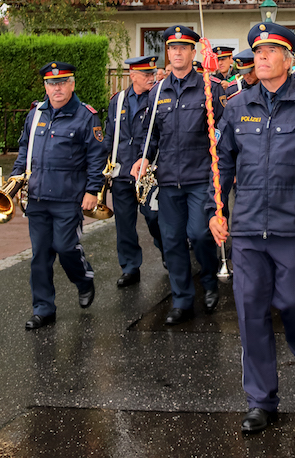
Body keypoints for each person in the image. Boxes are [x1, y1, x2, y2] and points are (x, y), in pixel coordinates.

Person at [208, 22, 295, 434]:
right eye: (258, 52)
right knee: (250, 313)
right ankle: (261, 401)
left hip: (294, 225)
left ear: (288, 59)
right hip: (248, 227)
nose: (261, 57)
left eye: (270, 51)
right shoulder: (236, 106)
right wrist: (216, 210)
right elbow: (222, 163)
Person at [132, 25, 225, 325]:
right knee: (172, 240)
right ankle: (182, 299)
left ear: (192, 52)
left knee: (199, 234)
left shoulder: (210, 88)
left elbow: (224, 134)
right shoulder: (157, 91)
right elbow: (151, 135)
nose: (177, 53)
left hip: (200, 178)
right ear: (168, 53)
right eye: (173, 48)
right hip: (169, 179)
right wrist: (144, 157)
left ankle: (209, 282)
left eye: (183, 48)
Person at [10, 62, 107, 329]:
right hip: (38, 197)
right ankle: (43, 309)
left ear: (72, 84)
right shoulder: (35, 114)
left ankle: (83, 280)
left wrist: (92, 190)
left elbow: (96, 157)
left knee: (65, 247)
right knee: (40, 255)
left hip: (69, 197)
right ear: (45, 86)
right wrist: (14, 181)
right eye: (52, 84)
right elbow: (24, 150)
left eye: (63, 83)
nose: (57, 88)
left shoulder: (86, 116)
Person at [104, 55, 163, 287]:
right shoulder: (117, 101)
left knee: (154, 217)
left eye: (153, 74)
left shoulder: (157, 99)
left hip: (149, 173)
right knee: (124, 223)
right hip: (122, 172)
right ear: (133, 75)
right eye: (146, 74)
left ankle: (167, 251)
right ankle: (129, 267)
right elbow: (110, 135)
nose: (151, 78)